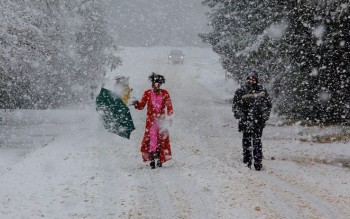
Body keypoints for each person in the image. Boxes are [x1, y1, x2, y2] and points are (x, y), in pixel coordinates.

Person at [131, 72, 174, 169]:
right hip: (151, 121)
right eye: (153, 84)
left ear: (160, 84)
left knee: (162, 140)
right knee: (152, 139)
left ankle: (160, 158)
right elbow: (141, 106)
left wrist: (169, 118)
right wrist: (136, 103)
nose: (154, 86)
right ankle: (152, 157)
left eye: (157, 84)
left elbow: (169, 107)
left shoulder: (165, 93)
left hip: (162, 121)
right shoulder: (147, 93)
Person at [232, 71, 272, 171]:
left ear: (257, 80)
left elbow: (268, 104)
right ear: (247, 79)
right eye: (250, 78)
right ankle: (247, 161)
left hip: (258, 121)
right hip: (245, 120)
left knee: (257, 141)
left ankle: (258, 162)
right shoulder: (241, 90)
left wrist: (265, 116)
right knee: (246, 141)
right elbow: (235, 105)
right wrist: (240, 114)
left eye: (254, 79)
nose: (251, 80)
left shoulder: (262, 90)